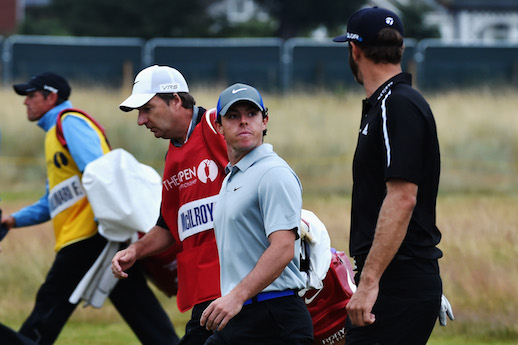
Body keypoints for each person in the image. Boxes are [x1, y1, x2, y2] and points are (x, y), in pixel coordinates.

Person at [0, 72, 180, 345]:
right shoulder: (55, 132)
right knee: (143, 313)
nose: (26, 102)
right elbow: (54, 200)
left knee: (49, 307)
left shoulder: (69, 122)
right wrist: (14, 220)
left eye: (31, 95)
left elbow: (100, 175)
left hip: (90, 236)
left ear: (51, 97)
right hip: (100, 237)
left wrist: (106, 225)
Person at [333, 6, 443, 345]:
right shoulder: (386, 104)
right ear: (401, 49)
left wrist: (369, 284)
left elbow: (402, 197)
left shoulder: (396, 105)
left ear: (354, 49)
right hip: (399, 281)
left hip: (396, 284)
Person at [111, 65, 228, 344]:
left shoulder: (216, 124)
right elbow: (168, 225)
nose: (141, 120)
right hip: (210, 289)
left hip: (241, 283)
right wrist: (135, 251)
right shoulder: (173, 155)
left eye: (147, 109)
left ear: (176, 100)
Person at [200, 83, 314, 344]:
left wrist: (236, 296)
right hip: (242, 315)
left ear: (265, 121)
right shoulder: (232, 177)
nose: (243, 122)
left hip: (275, 317)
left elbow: (283, 248)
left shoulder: (273, 173)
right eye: (233, 116)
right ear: (219, 127)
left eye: (251, 114)